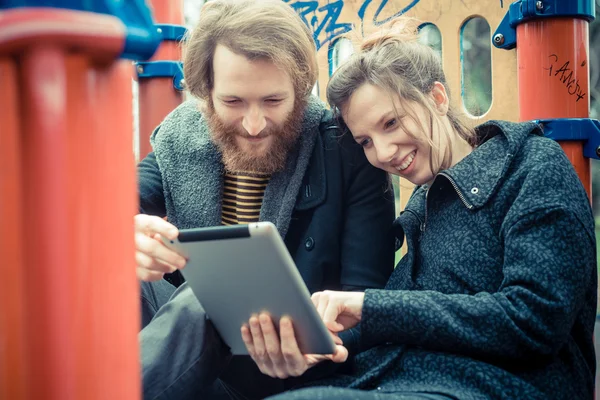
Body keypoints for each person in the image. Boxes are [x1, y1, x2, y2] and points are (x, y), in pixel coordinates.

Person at [239, 20, 598, 400]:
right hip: (407, 384)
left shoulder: (530, 166)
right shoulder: (424, 205)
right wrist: (316, 343)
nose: (384, 153)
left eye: (391, 122)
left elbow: (533, 320)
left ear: (438, 98)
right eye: (365, 141)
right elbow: (404, 320)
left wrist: (370, 306)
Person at [135, 0, 395, 399]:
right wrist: (124, 233)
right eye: (233, 102)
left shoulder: (345, 150)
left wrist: (312, 350)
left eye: (273, 102)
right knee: (118, 268)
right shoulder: (181, 134)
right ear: (207, 94)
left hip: (291, 378)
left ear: (301, 87)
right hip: (184, 369)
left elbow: (367, 305)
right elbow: (119, 200)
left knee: (217, 285)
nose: (253, 125)